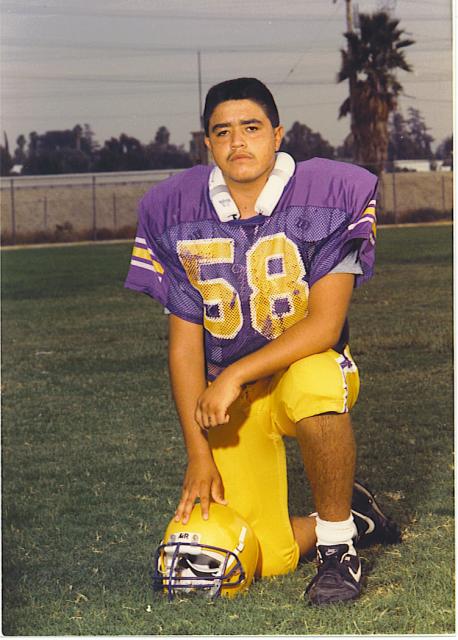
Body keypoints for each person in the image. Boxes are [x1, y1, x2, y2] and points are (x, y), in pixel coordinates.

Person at [125, 77, 400, 605]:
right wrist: (196, 451)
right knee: (265, 555)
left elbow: (323, 324)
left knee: (316, 383)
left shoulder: (330, 192)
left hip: (306, 367)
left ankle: (339, 551)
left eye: (251, 128)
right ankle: (351, 514)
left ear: (277, 134)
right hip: (241, 402)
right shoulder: (175, 210)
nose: (237, 143)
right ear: (207, 143)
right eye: (222, 131)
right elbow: (183, 346)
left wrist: (232, 375)